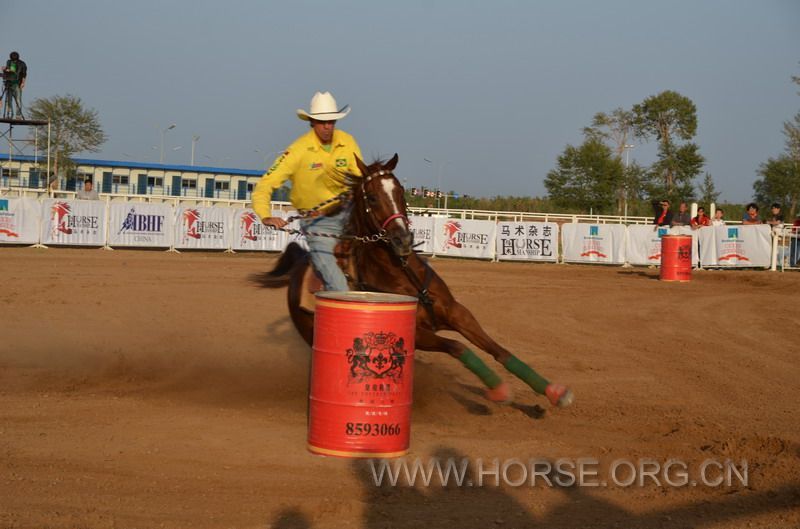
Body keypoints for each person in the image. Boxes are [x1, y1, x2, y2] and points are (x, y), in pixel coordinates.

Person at [252, 91, 363, 291]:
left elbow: (361, 178)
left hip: (350, 215)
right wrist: (266, 215)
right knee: (337, 283)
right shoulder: (298, 150)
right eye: (323, 122)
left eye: (331, 121)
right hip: (318, 223)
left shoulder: (348, 142)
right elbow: (265, 184)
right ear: (312, 121)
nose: (328, 126)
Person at [2, 51, 27, 119]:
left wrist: (23, 83)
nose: (14, 61)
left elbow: (24, 74)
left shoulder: (22, 64)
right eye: (13, 60)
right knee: (8, 99)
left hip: (17, 83)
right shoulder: (9, 62)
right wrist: (5, 69)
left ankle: (18, 115)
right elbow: (7, 69)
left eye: (15, 60)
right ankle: (9, 114)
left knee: (18, 100)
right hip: (9, 83)